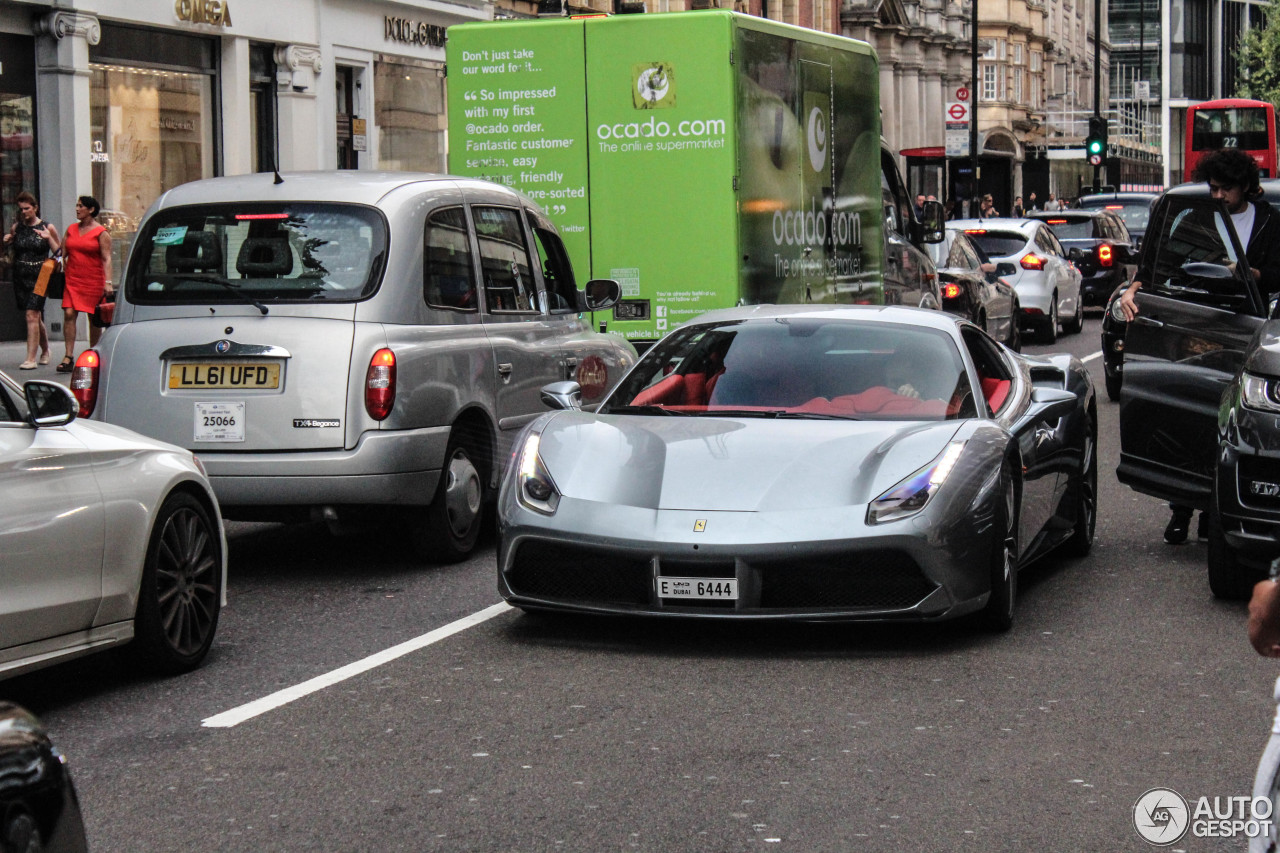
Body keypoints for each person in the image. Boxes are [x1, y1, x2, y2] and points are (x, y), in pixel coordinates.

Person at [1120, 147, 1280, 543]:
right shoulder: (1195, 217)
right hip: (1196, 327)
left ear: (1245, 186)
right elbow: (1160, 266)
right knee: (1190, 415)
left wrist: (1250, 273)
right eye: (1213, 188)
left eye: (1225, 189)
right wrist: (1135, 289)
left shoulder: (1270, 222)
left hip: (1250, 331)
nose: (1217, 196)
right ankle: (1180, 508)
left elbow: (1277, 273)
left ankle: (1213, 509)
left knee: (1232, 423)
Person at [4, 191, 59, 370]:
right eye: (21, 209)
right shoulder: (17, 228)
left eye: (27, 208)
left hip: (41, 274)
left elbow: (59, 252)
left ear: (35, 208)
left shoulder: (47, 227)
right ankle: (45, 350)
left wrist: (48, 238)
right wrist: (8, 241)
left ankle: (30, 358)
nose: (24, 212)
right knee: (34, 316)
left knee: (31, 315)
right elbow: (14, 250)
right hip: (20, 274)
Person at [58, 194, 112, 372]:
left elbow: (106, 258)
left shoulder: (101, 232)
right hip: (73, 279)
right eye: (76, 205)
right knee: (69, 313)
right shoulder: (71, 229)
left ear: (91, 210)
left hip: (93, 280)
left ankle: (93, 353)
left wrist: (108, 282)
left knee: (93, 318)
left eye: (81, 206)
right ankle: (68, 356)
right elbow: (61, 252)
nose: (77, 209)